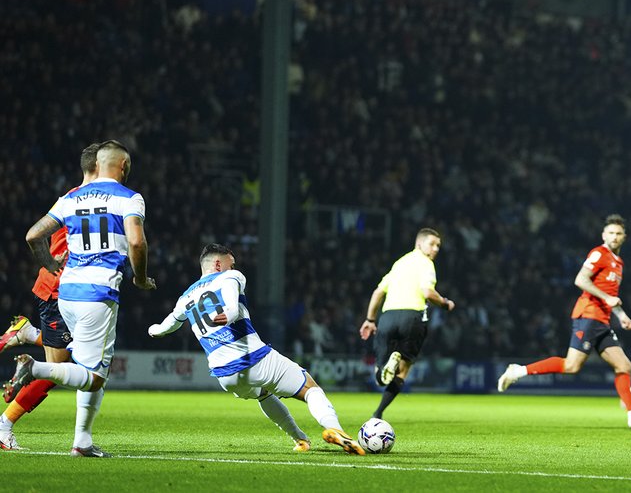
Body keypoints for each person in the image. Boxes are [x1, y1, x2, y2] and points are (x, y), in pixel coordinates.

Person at [9, 140, 156, 457]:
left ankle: (82, 442)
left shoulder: (70, 198)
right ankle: (34, 369)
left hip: (67, 291)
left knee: (90, 366)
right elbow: (136, 241)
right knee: (94, 377)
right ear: (123, 167)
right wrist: (141, 278)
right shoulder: (129, 198)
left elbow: (33, 234)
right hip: (99, 293)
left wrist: (49, 264)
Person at [148, 244, 364, 455]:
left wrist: (154, 330)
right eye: (231, 264)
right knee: (311, 388)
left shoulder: (185, 297)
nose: (234, 267)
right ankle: (336, 429)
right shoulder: (231, 277)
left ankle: (300, 439)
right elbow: (231, 299)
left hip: (225, 375)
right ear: (217, 264)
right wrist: (231, 313)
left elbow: (168, 325)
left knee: (263, 395)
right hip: (253, 358)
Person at [496, 214, 631, 430]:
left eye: (618, 233)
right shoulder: (599, 254)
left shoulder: (618, 262)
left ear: (624, 237)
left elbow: (610, 293)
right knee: (571, 365)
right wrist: (607, 299)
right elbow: (580, 279)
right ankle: (518, 371)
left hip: (602, 320)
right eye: (610, 233)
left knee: (624, 365)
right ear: (603, 235)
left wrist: (620, 314)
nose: (614, 237)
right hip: (588, 316)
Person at [0, 143, 100, 451]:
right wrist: (51, 265)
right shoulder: (91, 202)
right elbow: (34, 235)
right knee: (57, 371)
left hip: (63, 289)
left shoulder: (70, 199)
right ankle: (3, 425)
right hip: (61, 291)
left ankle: (28, 333)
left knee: (74, 362)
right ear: (100, 167)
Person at [359, 228, 454, 420]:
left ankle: (383, 370)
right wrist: (445, 303)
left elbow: (377, 293)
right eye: (432, 244)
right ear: (420, 243)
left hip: (387, 318)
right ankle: (378, 413)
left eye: (438, 246)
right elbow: (427, 292)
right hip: (412, 318)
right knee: (403, 370)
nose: (436, 249)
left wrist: (370, 320)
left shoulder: (399, 263)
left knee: (380, 375)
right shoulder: (426, 264)